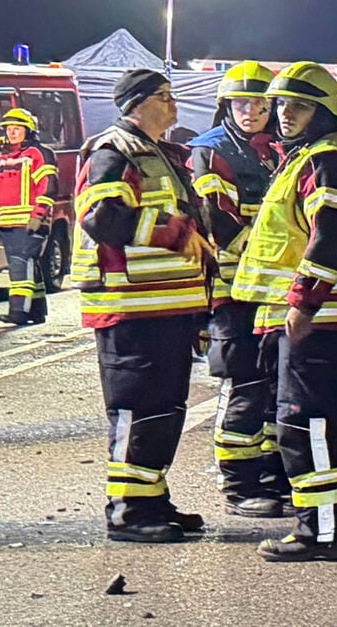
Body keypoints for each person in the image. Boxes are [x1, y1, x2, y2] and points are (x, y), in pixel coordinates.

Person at [232, 62, 337, 561]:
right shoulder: (309, 156)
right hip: (315, 314)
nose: (285, 113)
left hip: (317, 317)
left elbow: (332, 231)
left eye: (299, 106)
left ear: (324, 111)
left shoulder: (328, 156)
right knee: (326, 419)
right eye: (281, 104)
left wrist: (302, 301)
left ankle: (321, 530)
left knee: (303, 423)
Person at [72, 68, 212, 543]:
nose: (173, 105)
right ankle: (128, 510)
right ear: (137, 103)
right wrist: (172, 232)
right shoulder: (114, 151)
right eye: (163, 97)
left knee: (163, 410)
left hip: (164, 307)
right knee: (137, 409)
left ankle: (151, 499)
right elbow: (101, 216)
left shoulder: (157, 152)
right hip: (131, 306)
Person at [187, 61, 290, 518]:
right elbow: (220, 221)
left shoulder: (277, 149)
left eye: (259, 103)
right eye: (241, 103)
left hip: (272, 290)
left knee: (274, 386)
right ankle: (238, 484)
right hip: (234, 292)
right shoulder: (212, 150)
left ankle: (271, 474)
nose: (250, 111)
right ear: (225, 106)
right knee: (245, 384)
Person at [0, 108, 58, 325]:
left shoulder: (39, 154)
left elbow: (48, 188)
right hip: (9, 223)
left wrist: (38, 216)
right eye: (9, 129)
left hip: (28, 222)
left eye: (17, 128)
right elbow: (1, 192)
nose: (12, 133)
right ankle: (36, 310)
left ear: (28, 131)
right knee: (27, 266)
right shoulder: (6, 157)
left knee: (20, 265)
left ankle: (18, 311)